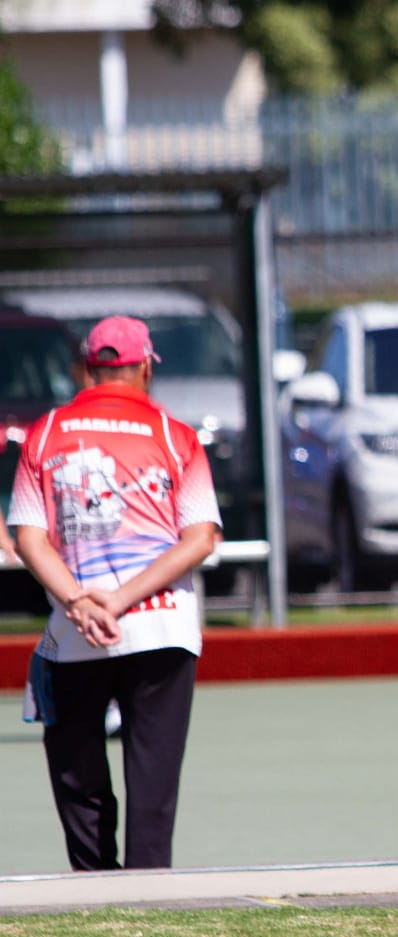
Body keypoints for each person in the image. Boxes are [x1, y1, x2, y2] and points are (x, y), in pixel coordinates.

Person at [10, 316, 221, 870]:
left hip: (77, 632)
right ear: (146, 366)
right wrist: (123, 599)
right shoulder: (177, 436)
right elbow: (199, 538)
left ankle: (94, 887)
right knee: (154, 777)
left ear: (87, 367)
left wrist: (81, 602)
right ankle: (148, 898)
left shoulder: (46, 432)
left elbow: (28, 538)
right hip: (163, 625)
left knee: (77, 770)